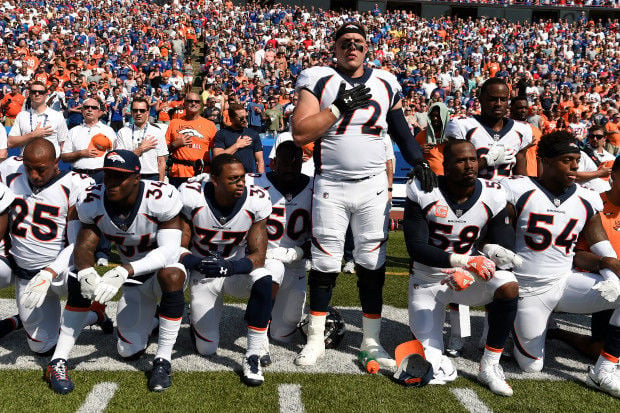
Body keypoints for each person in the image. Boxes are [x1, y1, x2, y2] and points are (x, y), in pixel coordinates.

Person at [291, 22, 436, 368]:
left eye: (357, 42)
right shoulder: (318, 78)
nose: (351, 48)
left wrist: (417, 161)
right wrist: (338, 107)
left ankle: (371, 341)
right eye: (344, 43)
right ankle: (315, 338)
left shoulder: (386, 80)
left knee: (373, 263)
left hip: (372, 185)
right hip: (332, 183)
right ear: (335, 48)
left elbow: (399, 126)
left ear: (367, 47)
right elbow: (300, 132)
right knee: (325, 262)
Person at [44, 149, 186, 394]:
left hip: (159, 272)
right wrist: (86, 271)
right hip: (133, 282)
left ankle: (163, 360)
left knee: (172, 272)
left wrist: (125, 270)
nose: (111, 182)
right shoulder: (92, 200)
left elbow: (170, 251)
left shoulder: (160, 197)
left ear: (136, 177)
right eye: (107, 175)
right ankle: (59, 361)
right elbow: (82, 246)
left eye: (119, 177)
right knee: (127, 350)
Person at [503, 130, 620, 398]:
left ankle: (604, 370)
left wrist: (613, 270)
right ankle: (520, 324)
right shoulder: (518, 188)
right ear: (544, 160)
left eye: (576, 160)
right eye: (567, 160)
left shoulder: (586, 197)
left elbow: (600, 243)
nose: (575, 166)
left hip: (564, 281)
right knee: (532, 367)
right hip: (527, 289)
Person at [402, 139, 520, 396]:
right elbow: (416, 248)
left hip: (469, 276)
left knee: (508, 286)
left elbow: (505, 244)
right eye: (460, 160)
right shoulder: (423, 190)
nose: (469, 165)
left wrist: (488, 254)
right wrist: (465, 261)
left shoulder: (493, 193)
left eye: (473, 159)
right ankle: (437, 350)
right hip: (428, 279)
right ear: (444, 165)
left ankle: (490, 365)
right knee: (429, 362)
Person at [178, 154, 283, 386]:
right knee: (207, 349)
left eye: (242, 178)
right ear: (214, 180)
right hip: (203, 273)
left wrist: (230, 266)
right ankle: (195, 324)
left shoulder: (256, 200)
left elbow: (258, 256)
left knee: (267, 275)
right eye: (233, 179)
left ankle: (253, 354)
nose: (241, 184)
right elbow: (178, 247)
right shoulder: (190, 196)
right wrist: (198, 263)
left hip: (235, 267)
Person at [6, 138, 110, 357]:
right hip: (26, 274)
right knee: (41, 347)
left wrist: (50, 271)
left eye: (40, 169)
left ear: (56, 163)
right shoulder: (10, 172)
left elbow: (77, 244)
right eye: (28, 168)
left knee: (80, 284)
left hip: (61, 269)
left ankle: (93, 313)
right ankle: (94, 315)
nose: (34, 175)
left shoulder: (75, 184)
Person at [252, 141, 312, 344]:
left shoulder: (314, 187)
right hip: (265, 260)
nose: (289, 169)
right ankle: (259, 316)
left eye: (294, 164)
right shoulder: (255, 183)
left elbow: (326, 235)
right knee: (273, 269)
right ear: (274, 162)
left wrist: (299, 252)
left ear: (302, 163)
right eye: (284, 163)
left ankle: (270, 314)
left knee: (283, 334)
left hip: (296, 265)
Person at [446, 78, 533, 180]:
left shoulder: (522, 129)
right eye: (493, 99)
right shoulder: (461, 125)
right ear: (481, 99)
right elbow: (454, 171)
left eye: (503, 99)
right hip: (474, 193)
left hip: (506, 194)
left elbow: (520, 178)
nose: (498, 104)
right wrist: (487, 161)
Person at [166, 92, 217, 187]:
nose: (193, 103)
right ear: (184, 103)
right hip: (178, 173)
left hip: (201, 174)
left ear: (200, 104)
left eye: (197, 101)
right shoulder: (174, 123)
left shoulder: (210, 125)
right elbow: (163, 150)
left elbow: (215, 152)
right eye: (190, 101)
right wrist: (175, 144)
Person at [60, 97, 116, 182]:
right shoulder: (73, 131)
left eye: (93, 108)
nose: (90, 110)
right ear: (82, 111)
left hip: (100, 175)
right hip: (77, 175)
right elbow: (64, 157)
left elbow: (115, 154)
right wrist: (81, 153)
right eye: (86, 107)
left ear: (99, 112)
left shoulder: (108, 131)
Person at [8, 81, 68, 157]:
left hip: (49, 164)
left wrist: (55, 163)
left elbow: (64, 144)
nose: (37, 94)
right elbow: (10, 143)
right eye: (34, 92)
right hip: (26, 163)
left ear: (46, 95)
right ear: (29, 94)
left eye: (41, 92)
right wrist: (32, 135)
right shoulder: (22, 115)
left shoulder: (57, 116)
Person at [116, 97, 168, 181]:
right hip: (130, 175)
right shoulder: (123, 132)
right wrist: (140, 149)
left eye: (142, 110)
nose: (138, 113)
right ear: (131, 112)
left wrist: (161, 184)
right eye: (135, 110)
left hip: (152, 176)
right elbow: (121, 159)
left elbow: (161, 161)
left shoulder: (157, 132)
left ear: (147, 112)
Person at [213, 103, 265, 173]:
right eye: (241, 118)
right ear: (231, 118)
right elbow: (217, 157)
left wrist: (261, 179)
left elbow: (260, 161)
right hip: (228, 176)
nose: (244, 120)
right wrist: (237, 146)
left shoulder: (253, 134)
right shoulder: (222, 134)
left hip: (248, 176)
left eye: (246, 117)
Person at [509, 95, 542, 177]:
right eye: (520, 108)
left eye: (526, 108)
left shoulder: (536, 131)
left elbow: (540, 158)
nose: (523, 110)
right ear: (511, 109)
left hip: (531, 177)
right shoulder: (503, 128)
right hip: (507, 177)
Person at [415, 102, 450, 175]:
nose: (435, 119)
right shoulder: (421, 135)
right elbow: (413, 156)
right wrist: (419, 150)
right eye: (432, 116)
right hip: (428, 179)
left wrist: (451, 144)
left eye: (438, 116)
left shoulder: (452, 135)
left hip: (449, 178)